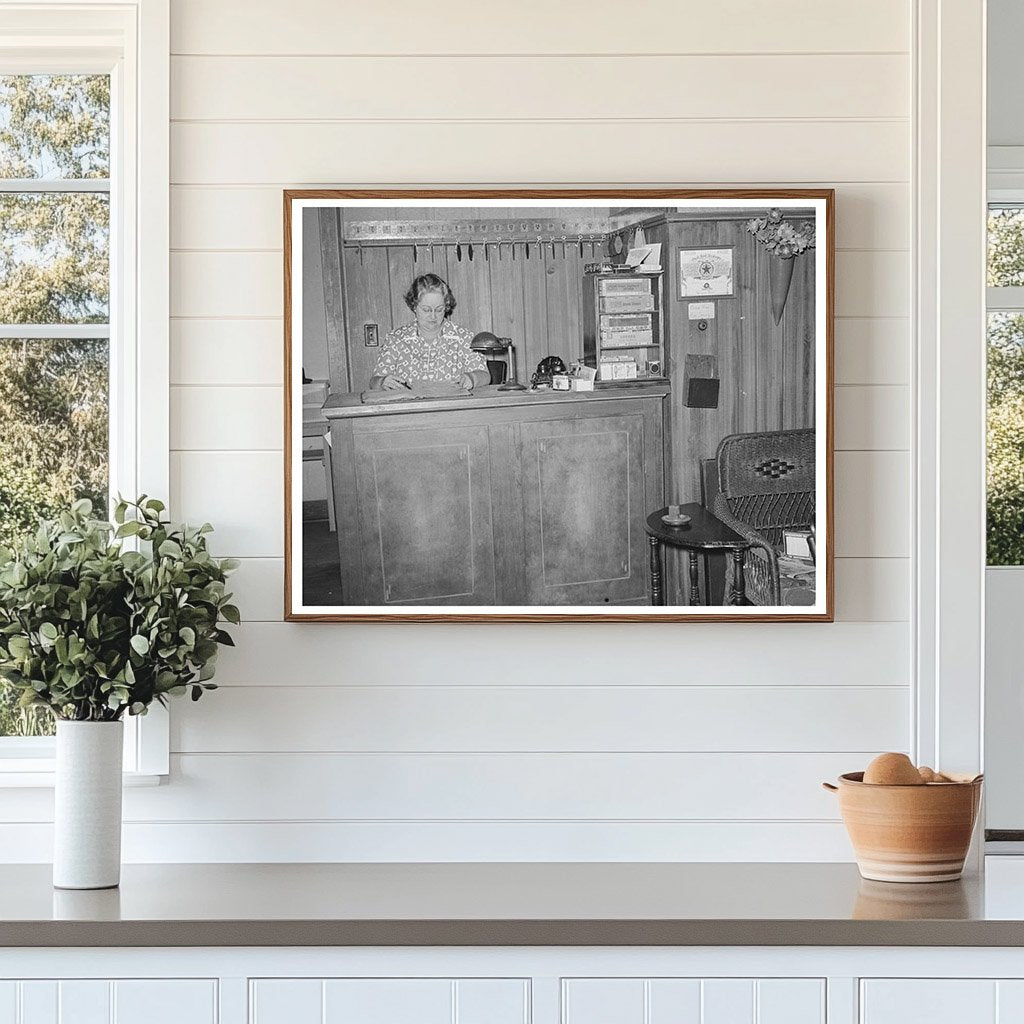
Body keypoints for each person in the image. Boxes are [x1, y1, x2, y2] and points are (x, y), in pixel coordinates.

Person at [369, 273, 490, 391]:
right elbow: (374, 381)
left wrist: (471, 378)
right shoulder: (396, 339)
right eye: (426, 310)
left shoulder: (463, 337)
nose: (433, 316)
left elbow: (484, 375)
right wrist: (382, 382)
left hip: (450, 404)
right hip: (409, 404)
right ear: (414, 306)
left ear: (446, 306)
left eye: (439, 310)